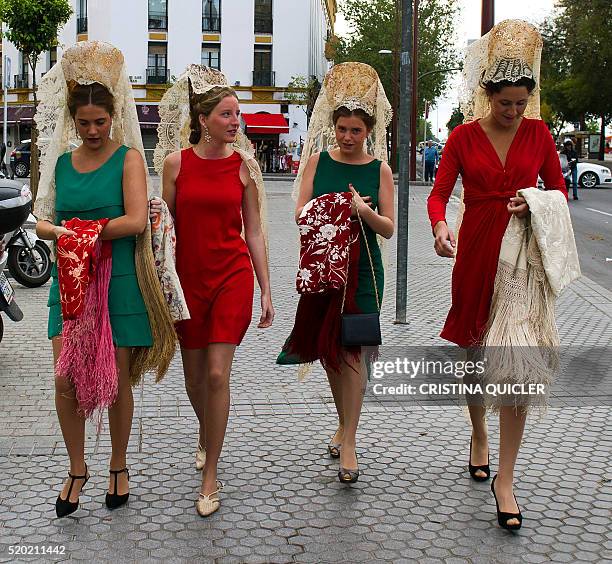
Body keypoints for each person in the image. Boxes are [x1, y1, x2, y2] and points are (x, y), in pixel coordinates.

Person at [427, 21, 567, 530]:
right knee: (474, 357)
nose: (512, 112)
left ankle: (504, 480)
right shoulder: (463, 137)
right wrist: (441, 227)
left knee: (517, 366)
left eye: (520, 103)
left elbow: (557, 191)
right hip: (475, 254)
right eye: (504, 102)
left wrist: (535, 205)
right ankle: (478, 433)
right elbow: (439, 193)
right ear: (487, 96)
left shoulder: (539, 133)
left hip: (521, 263)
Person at [33, 41, 174, 518]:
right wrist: (59, 232)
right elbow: (44, 220)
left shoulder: (129, 159)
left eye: (100, 122)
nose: (93, 131)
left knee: (114, 383)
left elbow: (136, 221)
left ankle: (118, 463)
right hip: (70, 283)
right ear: (72, 121)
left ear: (113, 116)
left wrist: (74, 233)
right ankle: (77, 468)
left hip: (118, 283)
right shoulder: (58, 164)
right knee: (65, 380)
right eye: (84, 123)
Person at [150, 65, 274, 517]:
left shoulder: (245, 166)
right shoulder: (175, 164)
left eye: (237, 113)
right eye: (227, 114)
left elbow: (255, 232)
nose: (235, 121)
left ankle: (211, 475)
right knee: (193, 377)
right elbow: (165, 230)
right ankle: (207, 432)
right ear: (203, 119)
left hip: (232, 277)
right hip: (187, 282)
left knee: (218, 374)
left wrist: (265, 288)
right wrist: (158, 287)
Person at [277, 62, 395, 484]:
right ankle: (345, 426)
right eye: (342, 129)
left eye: (356, 131)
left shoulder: (379, 169)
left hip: (364, 271)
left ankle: (350, 441)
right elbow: (298, 215)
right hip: (323, 268)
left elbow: (389, 227)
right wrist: (333, 209)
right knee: (331, 353)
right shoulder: (315, 162)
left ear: (368, 131)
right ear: (333, 127)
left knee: (354, 355)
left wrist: (363, 211)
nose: (348, 137)